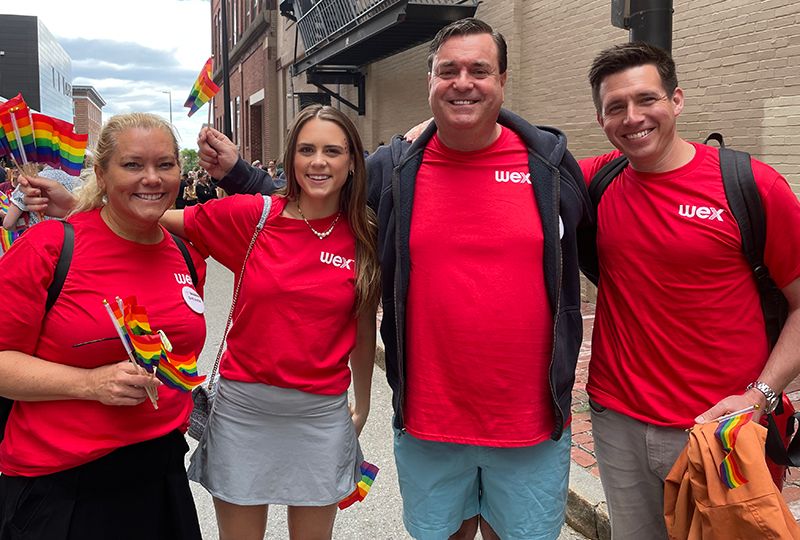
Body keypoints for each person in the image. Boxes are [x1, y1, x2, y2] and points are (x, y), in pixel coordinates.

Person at [197, 17, 590, 540]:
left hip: (531, 422)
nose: (463, 82)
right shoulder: (397, 168)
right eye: (448, 70)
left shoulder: (552, 168)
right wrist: (242, 174)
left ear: (503, 79)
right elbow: (323, 198)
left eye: (479, 69)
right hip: (430, 419)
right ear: (430, 79)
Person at [578, 42, 800, 540]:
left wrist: (761, 395)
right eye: (616, 107)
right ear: (601, 119)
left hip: (723, 427)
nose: (633, 117)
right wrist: (424, 131)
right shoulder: (599, 180)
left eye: (646, 99)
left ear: (676, 100)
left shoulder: (748, 185)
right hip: (617, 423)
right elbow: (522, 162)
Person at [161, 104, 380, 540]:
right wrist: (78, 204)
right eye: (306, 150)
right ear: (291, 159)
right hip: (244, 411)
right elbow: (156, 217)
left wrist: (365, 402)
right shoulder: (255, 217)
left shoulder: (364, 233)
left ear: (352, 161)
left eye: (332, 151)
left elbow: (360, 328)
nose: (318, 162)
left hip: (320, 416)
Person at [0, 112, 207, 539]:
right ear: (101, 173)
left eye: (164, 164)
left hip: (161, 474)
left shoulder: (186, 257)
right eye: (132, 165)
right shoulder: (50, 247)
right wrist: (88, 383)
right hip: (62, 485)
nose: (151, 178)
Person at [3, 166, 81, 231]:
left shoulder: (31, 182)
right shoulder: (77, 180)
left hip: (39, 238)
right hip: (73, 238)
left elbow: (8, 224)